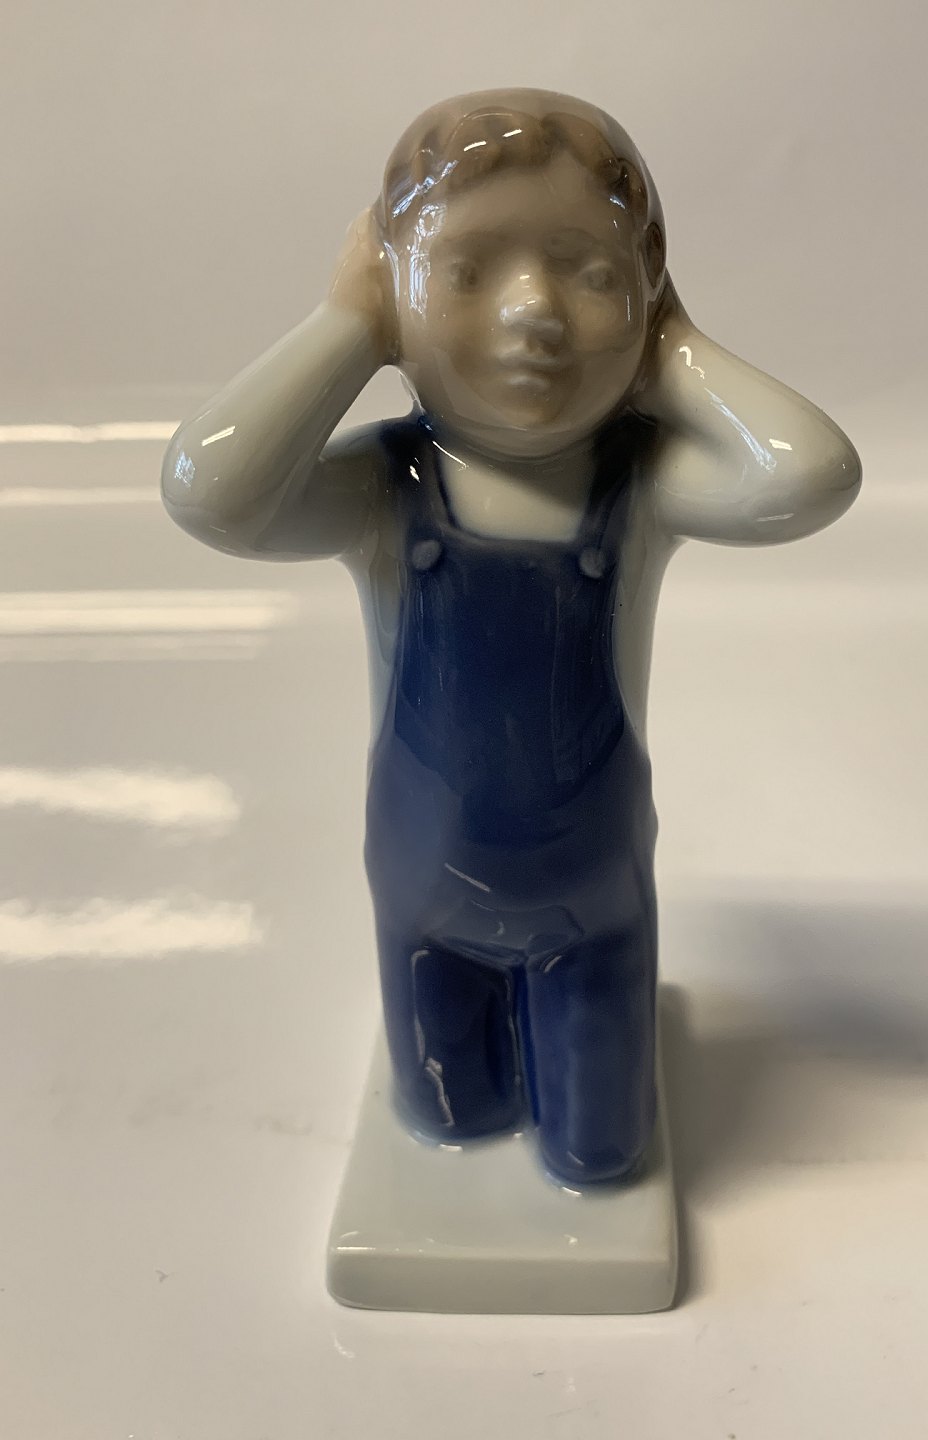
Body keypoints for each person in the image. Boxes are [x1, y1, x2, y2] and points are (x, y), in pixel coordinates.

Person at [162, 88, 861, 1185]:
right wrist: (349, 324)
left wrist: (671, 344)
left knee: (602, 1155)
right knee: (448, 1122)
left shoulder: (643, 485)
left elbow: (809, 475)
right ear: (392, 288)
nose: (534, 310)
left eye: (590, 273)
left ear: (647, 290)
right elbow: (213, 494)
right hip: (421, 898)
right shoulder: (384, 489)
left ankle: (582, 1149)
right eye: (468, 271)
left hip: (594, 905)